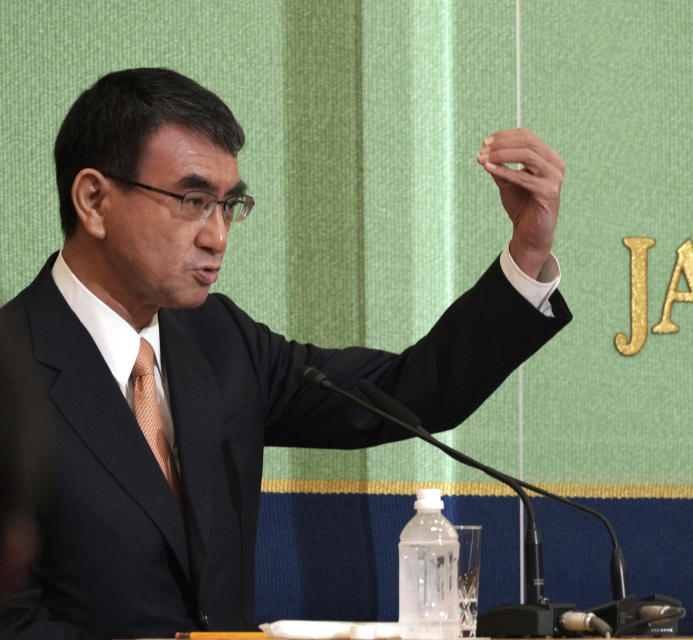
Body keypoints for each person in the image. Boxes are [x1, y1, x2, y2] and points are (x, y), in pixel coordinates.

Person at [0, 68, 570, 639]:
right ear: (94, 200)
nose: (217, 235)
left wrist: (526, 252)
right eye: (193, 200)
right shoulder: (10, 368)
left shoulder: (219, 339)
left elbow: (409, 391)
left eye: (229, 205)